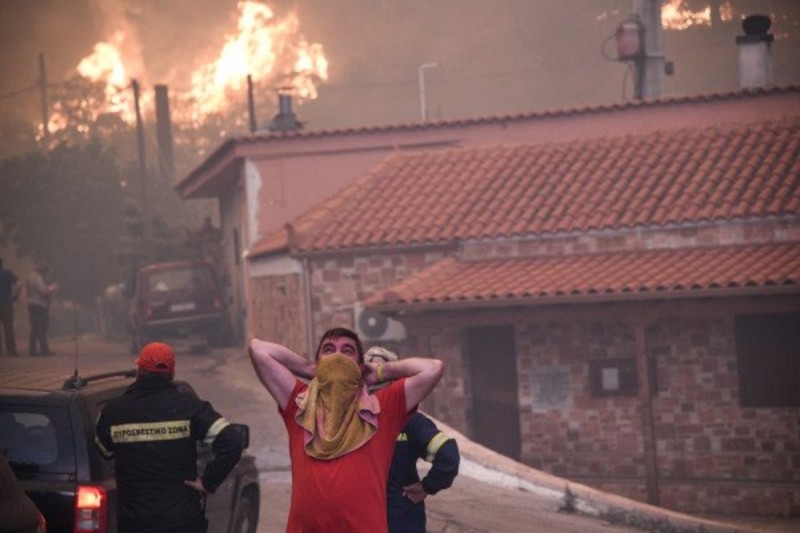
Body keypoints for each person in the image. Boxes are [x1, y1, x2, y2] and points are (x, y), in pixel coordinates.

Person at [249, 327, 444, 533]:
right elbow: (258, 349)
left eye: (347, 351)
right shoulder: (300, 404)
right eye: (329, 350)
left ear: (360, 367)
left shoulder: (383, 408)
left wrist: (379, 372)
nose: (337, 357)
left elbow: (432, 368)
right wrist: (310, 368)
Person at [95, 342, 243, 533]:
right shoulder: (191, 407)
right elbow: (232, 442)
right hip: (182, 521)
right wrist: (208, 482)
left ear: (139, 370)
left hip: (136, 523)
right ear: (172, 373)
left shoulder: (112, 412)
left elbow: (104, 451)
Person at [366, 347, 460, 533]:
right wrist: (427, 486)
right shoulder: (412, 422)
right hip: (404, 521)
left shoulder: (349, 420)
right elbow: (447, 456)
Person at [25, 262, 58, 356]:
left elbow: (28, 291)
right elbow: (44, 292)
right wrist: (52, 288)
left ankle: (32, 350)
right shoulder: (38, 279)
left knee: (34, 328)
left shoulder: (30, 277)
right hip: (40, 305)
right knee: (42, 328)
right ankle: (44, 349)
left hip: (31, 304)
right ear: (43, 271)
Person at [0, 258, 21, 356]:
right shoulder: (8, 273)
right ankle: (11, 350)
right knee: (8, 327)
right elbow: (19, 284)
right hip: (6, 303)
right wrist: (16, 295)